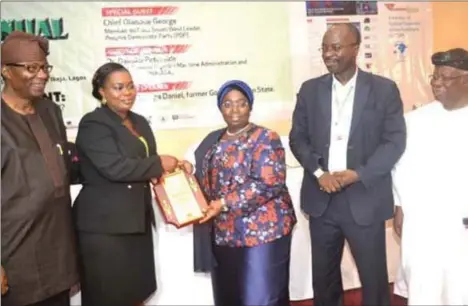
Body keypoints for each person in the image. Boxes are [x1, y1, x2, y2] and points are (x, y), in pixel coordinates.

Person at [289, 24, 406, 306]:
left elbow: (394, 142)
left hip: (364, 198)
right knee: (324, 279)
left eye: (336, 47)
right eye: (325, 48)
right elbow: (297, 138)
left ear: (356, 48)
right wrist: (319, 172)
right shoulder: (309, 90)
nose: (328, 54)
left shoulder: (383, 89)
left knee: (374, 278)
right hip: (322, 198)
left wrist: (359, 174)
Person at [392, 48, 468, 305]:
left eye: (445, 78)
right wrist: (400, 204)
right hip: (427, 226)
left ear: (467, 79)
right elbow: (401, 166)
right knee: (428, 288)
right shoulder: (414, 121)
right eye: (434, 77)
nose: (437, 84)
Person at [72, 62, 180, 306]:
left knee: (136, 292)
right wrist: (159, 164)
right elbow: (115, 167)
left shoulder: (139, 121)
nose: (127, 93)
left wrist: (174, 169)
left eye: (130, 86)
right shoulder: (93, 124)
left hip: (135, 221)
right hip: (105, 227)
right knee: (109, 295)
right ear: (102, 91)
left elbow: (145, 163)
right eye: (118, 87)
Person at [191, 80, 296, 306]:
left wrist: (223, 203)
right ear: (220, 108)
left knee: (260, 296)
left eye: (241, 104)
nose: (235, 110)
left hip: (262, 232)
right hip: (225, 233)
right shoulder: (213, 140)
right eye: (228, 104)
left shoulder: (266, 138)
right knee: (230, 295)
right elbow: (204, 175)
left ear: (250, 106)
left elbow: (269, 182)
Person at [1, 31, 80, 306]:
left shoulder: (50, 111)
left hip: (58, 250)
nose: (43, 75)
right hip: (16, 256)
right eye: (31, 68)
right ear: (6, 72)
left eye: (45, 67)